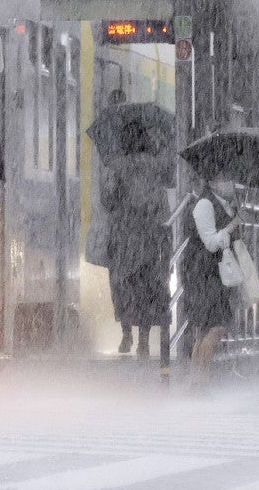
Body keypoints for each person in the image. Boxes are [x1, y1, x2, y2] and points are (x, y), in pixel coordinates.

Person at [101, 121, 172, 359]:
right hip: (149, 240)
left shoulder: (117, 166)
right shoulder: (155, 167)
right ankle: (143, 341)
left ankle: (125, 333)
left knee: (123, 288)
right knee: (147, 288)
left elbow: (107, 202)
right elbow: (162, 208)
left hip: (123, 240)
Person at [181, 172, 243, 392]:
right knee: (215, 327)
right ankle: (200, 380)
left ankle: (196, 382)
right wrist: (232, 226)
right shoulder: (205, 205)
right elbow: (210, 242)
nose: (231, 184)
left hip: (213, 273)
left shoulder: (227, 205)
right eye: (227, 179)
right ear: (214, 182)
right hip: (201, 273)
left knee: (205, 329)